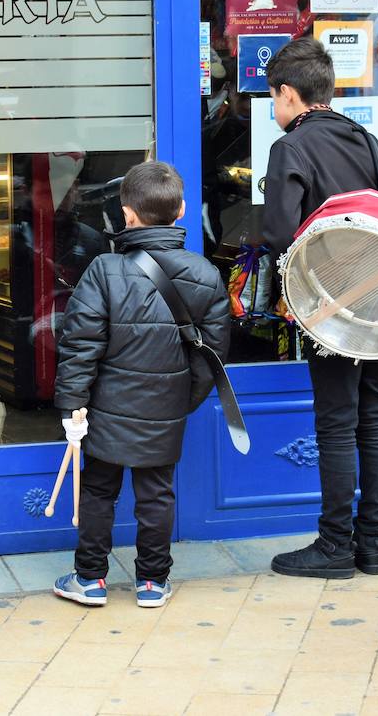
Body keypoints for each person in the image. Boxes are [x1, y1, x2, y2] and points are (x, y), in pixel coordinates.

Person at [51, 161, 230, 609]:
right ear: (183, 210)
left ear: (126, 213)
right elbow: (213, 357)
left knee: (97, 490)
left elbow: (79, 346)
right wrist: (180, 400)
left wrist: (73, 406)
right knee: (157, 493)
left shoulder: (103, 270)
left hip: (105, 408)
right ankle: (153, 582)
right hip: (165, 407)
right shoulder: (206, 274)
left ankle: (90, 579)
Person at [260, 37, 378, 579]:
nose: (275, 107)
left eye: (274, 97)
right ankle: (374, 547)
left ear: (289, 95)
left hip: (333, 307)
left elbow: (279, 233)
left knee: (338, 424)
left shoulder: (291, 149)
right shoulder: (369, 142)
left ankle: (334, 545)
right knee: (374, 420)